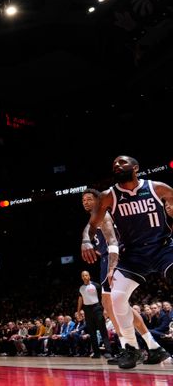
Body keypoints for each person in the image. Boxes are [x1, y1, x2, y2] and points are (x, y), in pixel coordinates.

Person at [84, 155, 172, 369]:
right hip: (133, 254)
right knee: (116, 298)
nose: (117, 164)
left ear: (136, 167)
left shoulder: (158, 188)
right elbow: (93, 224)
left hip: (162, 248)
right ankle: (131, 348)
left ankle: (152, 348)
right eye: (114, 163)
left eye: (123, 162)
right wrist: (86, 240)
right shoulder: (108, 196)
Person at [80, 188, 149, 362]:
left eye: (89, 199)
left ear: (98, 200)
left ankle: (134, 347)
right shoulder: (95, 220)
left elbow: (114, 240)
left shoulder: (105, 214)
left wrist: (112, 262)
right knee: (114, 306)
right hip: (106, 260)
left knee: (114, 305)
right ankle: (134, 346)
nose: (85, 202)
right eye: (83, 200)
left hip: (114, 260)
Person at [76, 271, 110, 358]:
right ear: (81, 277)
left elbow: (103, 297)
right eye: (83, 275)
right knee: (92, 332)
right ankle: (96, 353)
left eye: (86, 275)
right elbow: (80, 300)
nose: (84, 277)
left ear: (89, 276)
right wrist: (78, 311)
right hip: (87, 310)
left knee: (103, 330)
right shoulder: (81, 288)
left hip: (97, 307)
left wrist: (105, 309)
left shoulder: (96, 285)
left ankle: (108, 351)